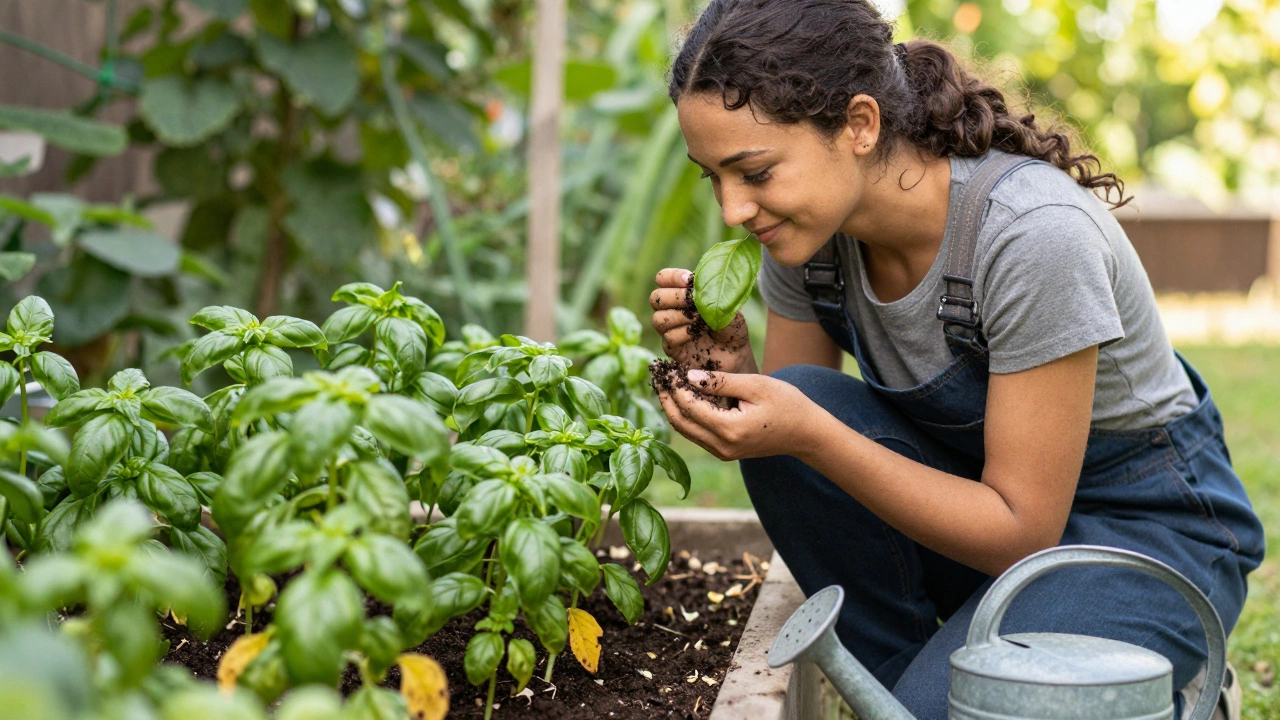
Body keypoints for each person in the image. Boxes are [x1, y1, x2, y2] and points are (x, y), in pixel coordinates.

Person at [647, 2, 1265, 719]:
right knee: (805, 413)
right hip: (980, 497)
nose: (733, 209)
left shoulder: (1032, 237)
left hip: (1146, 528)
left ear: (859, 125)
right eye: (712, 178)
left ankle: (1162, 681)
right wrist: (739, 379)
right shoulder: (806, 232)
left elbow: (1019, 531)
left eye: (753, 172)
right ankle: (915, 679)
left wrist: (804, 427)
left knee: (950, 701)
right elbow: (795, 429)